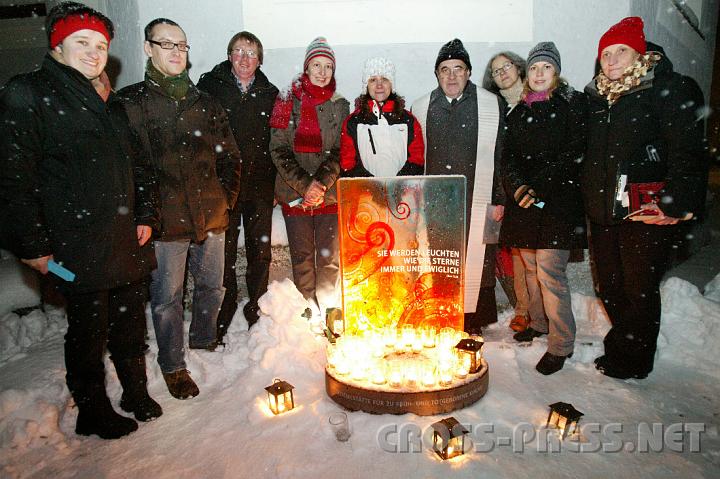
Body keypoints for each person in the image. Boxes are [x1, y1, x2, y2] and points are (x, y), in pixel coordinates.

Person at [0, 1, 161, 439]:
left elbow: (138, 165)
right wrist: (32, 246)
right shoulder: (30, 93)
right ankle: (92, 409)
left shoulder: (107, 102)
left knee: (129, 323)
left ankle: (134, 391)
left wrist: (145, 213)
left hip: (124, 240)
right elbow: (12, 176)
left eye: (102, 45)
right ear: (57, 46)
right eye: (82, 43)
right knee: (87, 331)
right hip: (72, 246)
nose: (94, 53)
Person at [116, 18, 242, 399]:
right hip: (164, 222)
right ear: (148, 48)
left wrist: (225, 199)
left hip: (211, 215)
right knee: (167, 298)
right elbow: (126, 168)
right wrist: (144, 216)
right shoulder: (130, 104)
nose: (176, 53)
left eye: (182, 46)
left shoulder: (204, 102)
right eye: (167, 44)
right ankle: (172, 365)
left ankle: (203, 341)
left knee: (212, 286)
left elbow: (230, 157)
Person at [582, 17, 708, 379]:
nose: (613, 60)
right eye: (606, 53)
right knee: (610, 287)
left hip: (646, 210)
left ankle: (635, 360)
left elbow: (688, 150)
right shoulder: (597, 97)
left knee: (639, 289)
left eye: (621, 50)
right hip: (605, 211)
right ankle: (624, 345)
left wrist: (674, 204)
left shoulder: (666, 88)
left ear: (640, 53)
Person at [500, 42, 587, 375]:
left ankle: (561, 344)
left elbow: (574, 152)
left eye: (546, 68)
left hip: (559, 202)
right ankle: (538, 322)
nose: (539, 73)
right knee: (532, 267)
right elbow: (507, 157)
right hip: (526, 203)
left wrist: (540, 185)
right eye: (534, 67)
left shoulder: (571, 105)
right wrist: (519, 187)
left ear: (556, 73)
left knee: (551, 273)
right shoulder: (518, 111)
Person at [412, 39, 505, 335]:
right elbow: (415, 158)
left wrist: (500, 199)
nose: (451, 76)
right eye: (445, 70)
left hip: (478, 196)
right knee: (439, 258)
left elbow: (501, 154)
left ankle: (472, 318)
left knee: (477, 257)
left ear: (468, 72)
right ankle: (440, 313)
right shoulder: (421, 106)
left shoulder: (490, 104)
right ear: (437, 75)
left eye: (458, 69)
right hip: (436, 200)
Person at [198, 31, 279, 338]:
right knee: (224, 253)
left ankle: (257, 307)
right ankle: (226, 306)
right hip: (223, 188)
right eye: (239, 52)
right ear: (229, 55)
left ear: (260, 60)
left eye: (251, 53)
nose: (245, 59)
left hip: (259, 187)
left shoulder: (269, 93)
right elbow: (201, 139)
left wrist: (275, 185)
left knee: (260, 252)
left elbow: (277, 142)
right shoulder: (210, 88)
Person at [269, 37, 349, 316]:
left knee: (329, 260)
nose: (322, 72)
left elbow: (341, 150)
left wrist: (322, 183)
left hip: (328, 193)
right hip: (295, 192)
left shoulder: (341, 105)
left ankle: (329, 313)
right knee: (302, 258)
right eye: (317, 65)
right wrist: (306, 186)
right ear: (307, 67)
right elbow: (278, 148)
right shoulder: (285, 100)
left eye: (328, 66)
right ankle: (307, 313)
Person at [482, 51, 533, 332]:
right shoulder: (494, 107)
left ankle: (531, 310)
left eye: (506, 66)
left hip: (529, 191)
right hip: (499, 189)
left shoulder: (535, 101)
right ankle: (521, 306)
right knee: (502, 253)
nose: (501, 73)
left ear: (519, 67)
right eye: (495, 70)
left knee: (530, 254)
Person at [340, 57, 424, 177]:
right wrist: (372, 187)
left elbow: (417, 159)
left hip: (402, 192)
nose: (379, 85)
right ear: (366, 86)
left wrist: (398, 185)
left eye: (384, 79)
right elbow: (348, 164)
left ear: (391, 84)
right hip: (365, 193)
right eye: (373, 80)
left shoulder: (409, 120)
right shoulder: (353, 122)